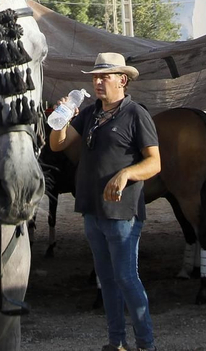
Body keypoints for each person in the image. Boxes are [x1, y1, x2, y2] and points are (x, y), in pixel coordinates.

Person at [50, 53, 162, 351]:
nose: (98, 82)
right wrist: (62, 118)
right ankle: (116, 343)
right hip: (92, 209)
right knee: (106, 279)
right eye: (95, 77)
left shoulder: (136, 114)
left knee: (126, 277)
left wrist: (126, 174)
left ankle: (146, 344)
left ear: (122, 80)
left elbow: (154, 163)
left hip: (123, 213)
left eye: (105, 77)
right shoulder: (89, 113)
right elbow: (57, 144)